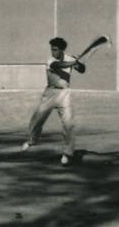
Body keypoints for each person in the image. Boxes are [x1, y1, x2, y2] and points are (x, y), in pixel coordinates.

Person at [22, 37, 86, 166]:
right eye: (52, 49)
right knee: (37, 118)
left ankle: (67, 153)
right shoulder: (50, 60)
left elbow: (82, 69)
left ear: (62, 50)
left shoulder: (70, 58)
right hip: (50, 93)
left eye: (55, 50)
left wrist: (77, 63)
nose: (53, 52)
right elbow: (59, 66)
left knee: (69, 124)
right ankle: (31, 140)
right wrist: (73, 62)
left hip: (64, 93)